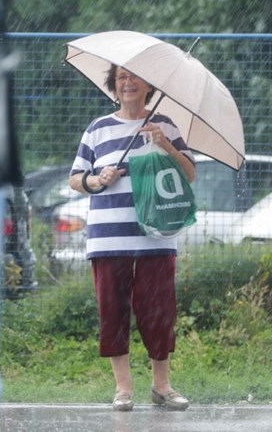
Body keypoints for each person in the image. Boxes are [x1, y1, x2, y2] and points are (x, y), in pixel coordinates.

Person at [68, 65, 196, 412]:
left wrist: (164, 143)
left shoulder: (165, 124)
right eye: (121, 77)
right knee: (113, 311)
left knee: (159, 314)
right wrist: (98, 180)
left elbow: (190, 173)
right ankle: (123, 389)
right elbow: (76, 178)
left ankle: (162, 386)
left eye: (135, 77)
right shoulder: (98, 128)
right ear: (114, 85)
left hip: (156, 236)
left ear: (149, 85)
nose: (128, 83)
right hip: (108, 239)